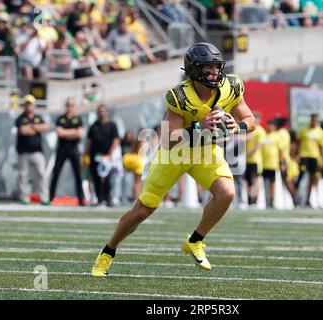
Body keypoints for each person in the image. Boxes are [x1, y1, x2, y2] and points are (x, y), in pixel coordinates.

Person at [91, 42, 255, 276]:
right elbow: (169, 139)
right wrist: (199, 126)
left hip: (205, 152)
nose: (214, 73)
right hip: (175, 154)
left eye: (216, 67)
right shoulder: (179, 95)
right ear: (195, 70)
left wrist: (236, 125)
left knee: (227, 193)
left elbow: (250, 121)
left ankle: (196, 240)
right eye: (207, 68)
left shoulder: (231, 86)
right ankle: (107, 252)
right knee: (143, 210)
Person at [49, 97, 85, 206]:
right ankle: (50, 197)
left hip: (74, 149)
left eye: (72, 105)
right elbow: (59, 133)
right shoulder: (61, 119)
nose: (70, 107)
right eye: (68, 105)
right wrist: (72, 132)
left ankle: (81, 198)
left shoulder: (78, 119)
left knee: (78, 174)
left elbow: (79, 134)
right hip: (62, 149)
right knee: (56, 172)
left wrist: (66, 133)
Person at [15, 94, 50, 205]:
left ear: (34, 105)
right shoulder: (20, 118)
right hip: (23, 152)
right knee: (23, 175)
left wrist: (32, 127)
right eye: (27, 104)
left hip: (37, 151)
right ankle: (24, 197)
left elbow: (45, 127)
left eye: (30, 104)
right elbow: (23, 131)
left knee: (42, 174)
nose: (29, 106)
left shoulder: (38, 117)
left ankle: (44, 197)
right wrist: (36, 128)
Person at [85, 104, 120, 207]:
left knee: (107, 177)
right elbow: (88, 140)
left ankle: (108, 198)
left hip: (106, 155)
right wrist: (85, 153)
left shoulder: (112, 125)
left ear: (107, 112)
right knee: (96, 178)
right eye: (100, 111)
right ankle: (99, 199)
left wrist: (110, 153)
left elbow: (116, 139)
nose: (101, 113)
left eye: (103, 111)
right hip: (95, 155)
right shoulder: (94, 125)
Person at [295, 113, 323, 207]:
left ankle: (308, 199)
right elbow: (298, 143)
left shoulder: (320, 132)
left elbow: (321, 147)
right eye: (313, 119)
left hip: (314, 157)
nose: (314, 121)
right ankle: (296, 198)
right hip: (304, 156)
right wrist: (296, 155)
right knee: (300, 177)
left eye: (316, 120)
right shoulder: (303, 130)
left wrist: (322, 159)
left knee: (312, 179)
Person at [262, 119, 284, 207]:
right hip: (264, 164)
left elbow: (280, 151)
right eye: (268, 125)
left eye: (271, 125)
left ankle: (271, 200)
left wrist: (281, 163)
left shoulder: (277, 136)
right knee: (264, 183)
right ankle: (266, 200)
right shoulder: (264, 135)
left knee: (272, 183)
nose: (269, 127)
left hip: (273, 164)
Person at [244, 112, 265, 205]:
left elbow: (258, 146)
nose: (255, 120)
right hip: (246, 160)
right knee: (247, 181)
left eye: (257, 118)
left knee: (254, 180)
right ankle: (249, 200)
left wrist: (246, 154)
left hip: (255, 160)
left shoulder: (260, 131)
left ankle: (254, 199)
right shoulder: (249, 130)